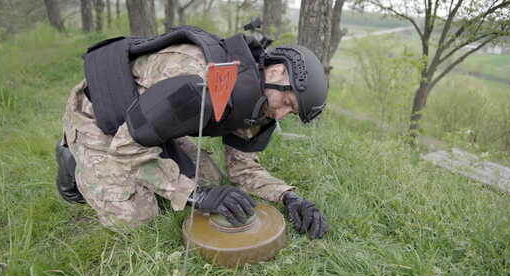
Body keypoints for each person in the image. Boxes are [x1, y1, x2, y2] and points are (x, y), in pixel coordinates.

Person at [56, 26, 328, 239]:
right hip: (101, 117)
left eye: (290, 113)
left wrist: (289, 196)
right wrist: (195, 196)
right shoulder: (195, 77)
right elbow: (127, 147)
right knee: (135, 219)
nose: (280, 115)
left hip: (151, 122)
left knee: (210, 179)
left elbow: (243, 171)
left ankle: (159, 158)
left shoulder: (260, 103)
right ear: (278, 72)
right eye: (288, 104)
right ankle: (72, 159)